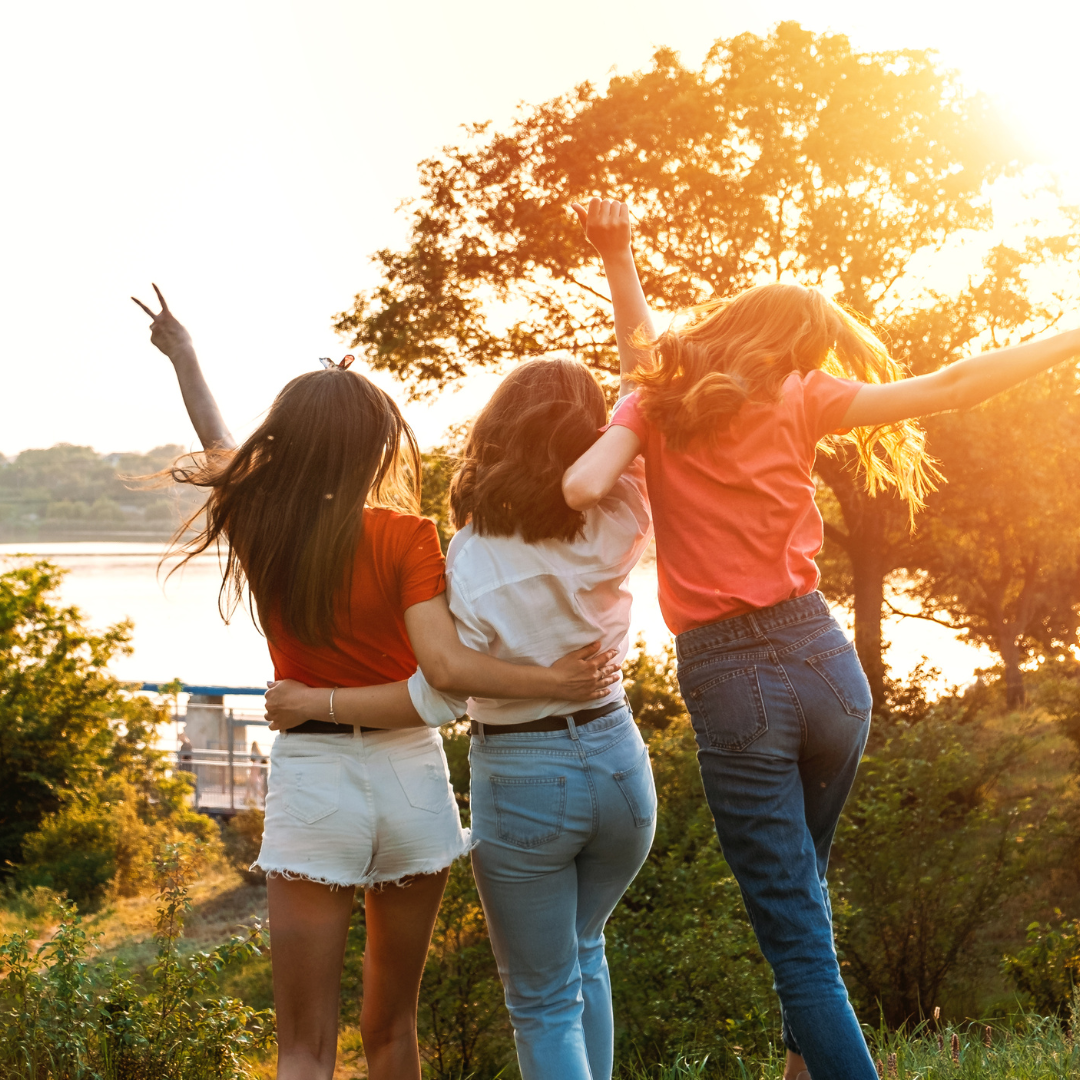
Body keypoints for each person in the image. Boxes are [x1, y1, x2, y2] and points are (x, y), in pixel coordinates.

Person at [560, 198, 1080, 1080]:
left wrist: (620, 254)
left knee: (796, 939)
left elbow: (620, 393)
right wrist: (1069, 337)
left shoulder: (658, 399)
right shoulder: (800, 396)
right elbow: (952, 384)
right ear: (791, 348)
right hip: (829, 668)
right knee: (807, 897)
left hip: (733, 679)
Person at [132, 287, 619, 1080]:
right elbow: (446, 675)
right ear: (374, 448)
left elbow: (217, 437)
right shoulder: (408, 537)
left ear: (285, 441)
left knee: (302, 1049)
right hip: (411, 782)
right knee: (393, 1031)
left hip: (314, 780)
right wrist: (552, 677)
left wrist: (185, 355)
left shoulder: (260, 519)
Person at [266, 355, 656, 1080]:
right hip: (616, 761)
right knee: (580, 955)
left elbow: (441, 684)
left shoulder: (469, 553)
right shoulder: (623, 512)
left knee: (538, 1000)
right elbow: (645, 396)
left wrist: (313, 703)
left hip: (520, 772)